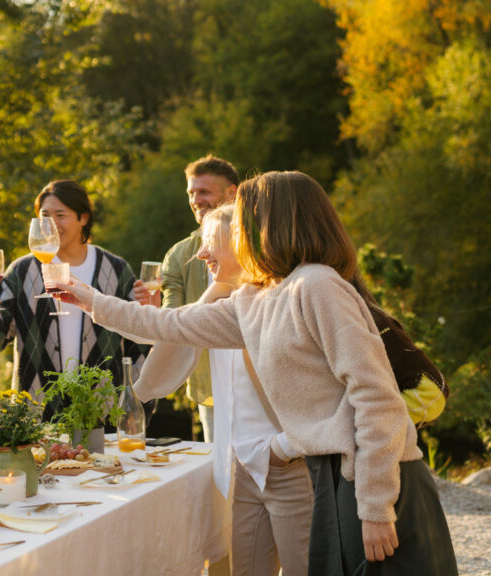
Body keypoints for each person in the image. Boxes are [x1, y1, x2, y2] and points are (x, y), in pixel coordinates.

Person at [56, 171, 457, 574]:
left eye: (241, 224)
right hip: (333, 476)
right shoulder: (255, 298)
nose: (234, 236)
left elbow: (377, 398)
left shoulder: (317, 286)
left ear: (270, 226)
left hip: (375, 481)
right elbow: (170, 324)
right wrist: (90, 299)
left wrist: (375, 506)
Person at [126, 205, 312, 575]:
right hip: (244, 473)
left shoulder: (283, 303)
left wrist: (284, 449)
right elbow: (165, 329)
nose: (201, 253)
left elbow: (317, 392)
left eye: (210, 241)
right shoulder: (218, 300)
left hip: (292, 468)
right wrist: (87, 300)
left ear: (242, 241)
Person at [0, 180, 148, 419]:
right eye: (45, 216)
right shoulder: (22, 271)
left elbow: (139, 342)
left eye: (60, 215)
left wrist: (139, 406)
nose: (51, 224)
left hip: (103, 411)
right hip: (36, 413)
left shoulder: (116, 270)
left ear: (83, 218)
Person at [161, 155, 238, 442]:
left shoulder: (261, 243)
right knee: (218, 465)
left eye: (204, 191)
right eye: (191, 193)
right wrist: (151, 313)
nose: (195, 200)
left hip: (261, 383)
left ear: (231, 193)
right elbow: (172, 318)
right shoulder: (179, 255)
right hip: (211, 385)